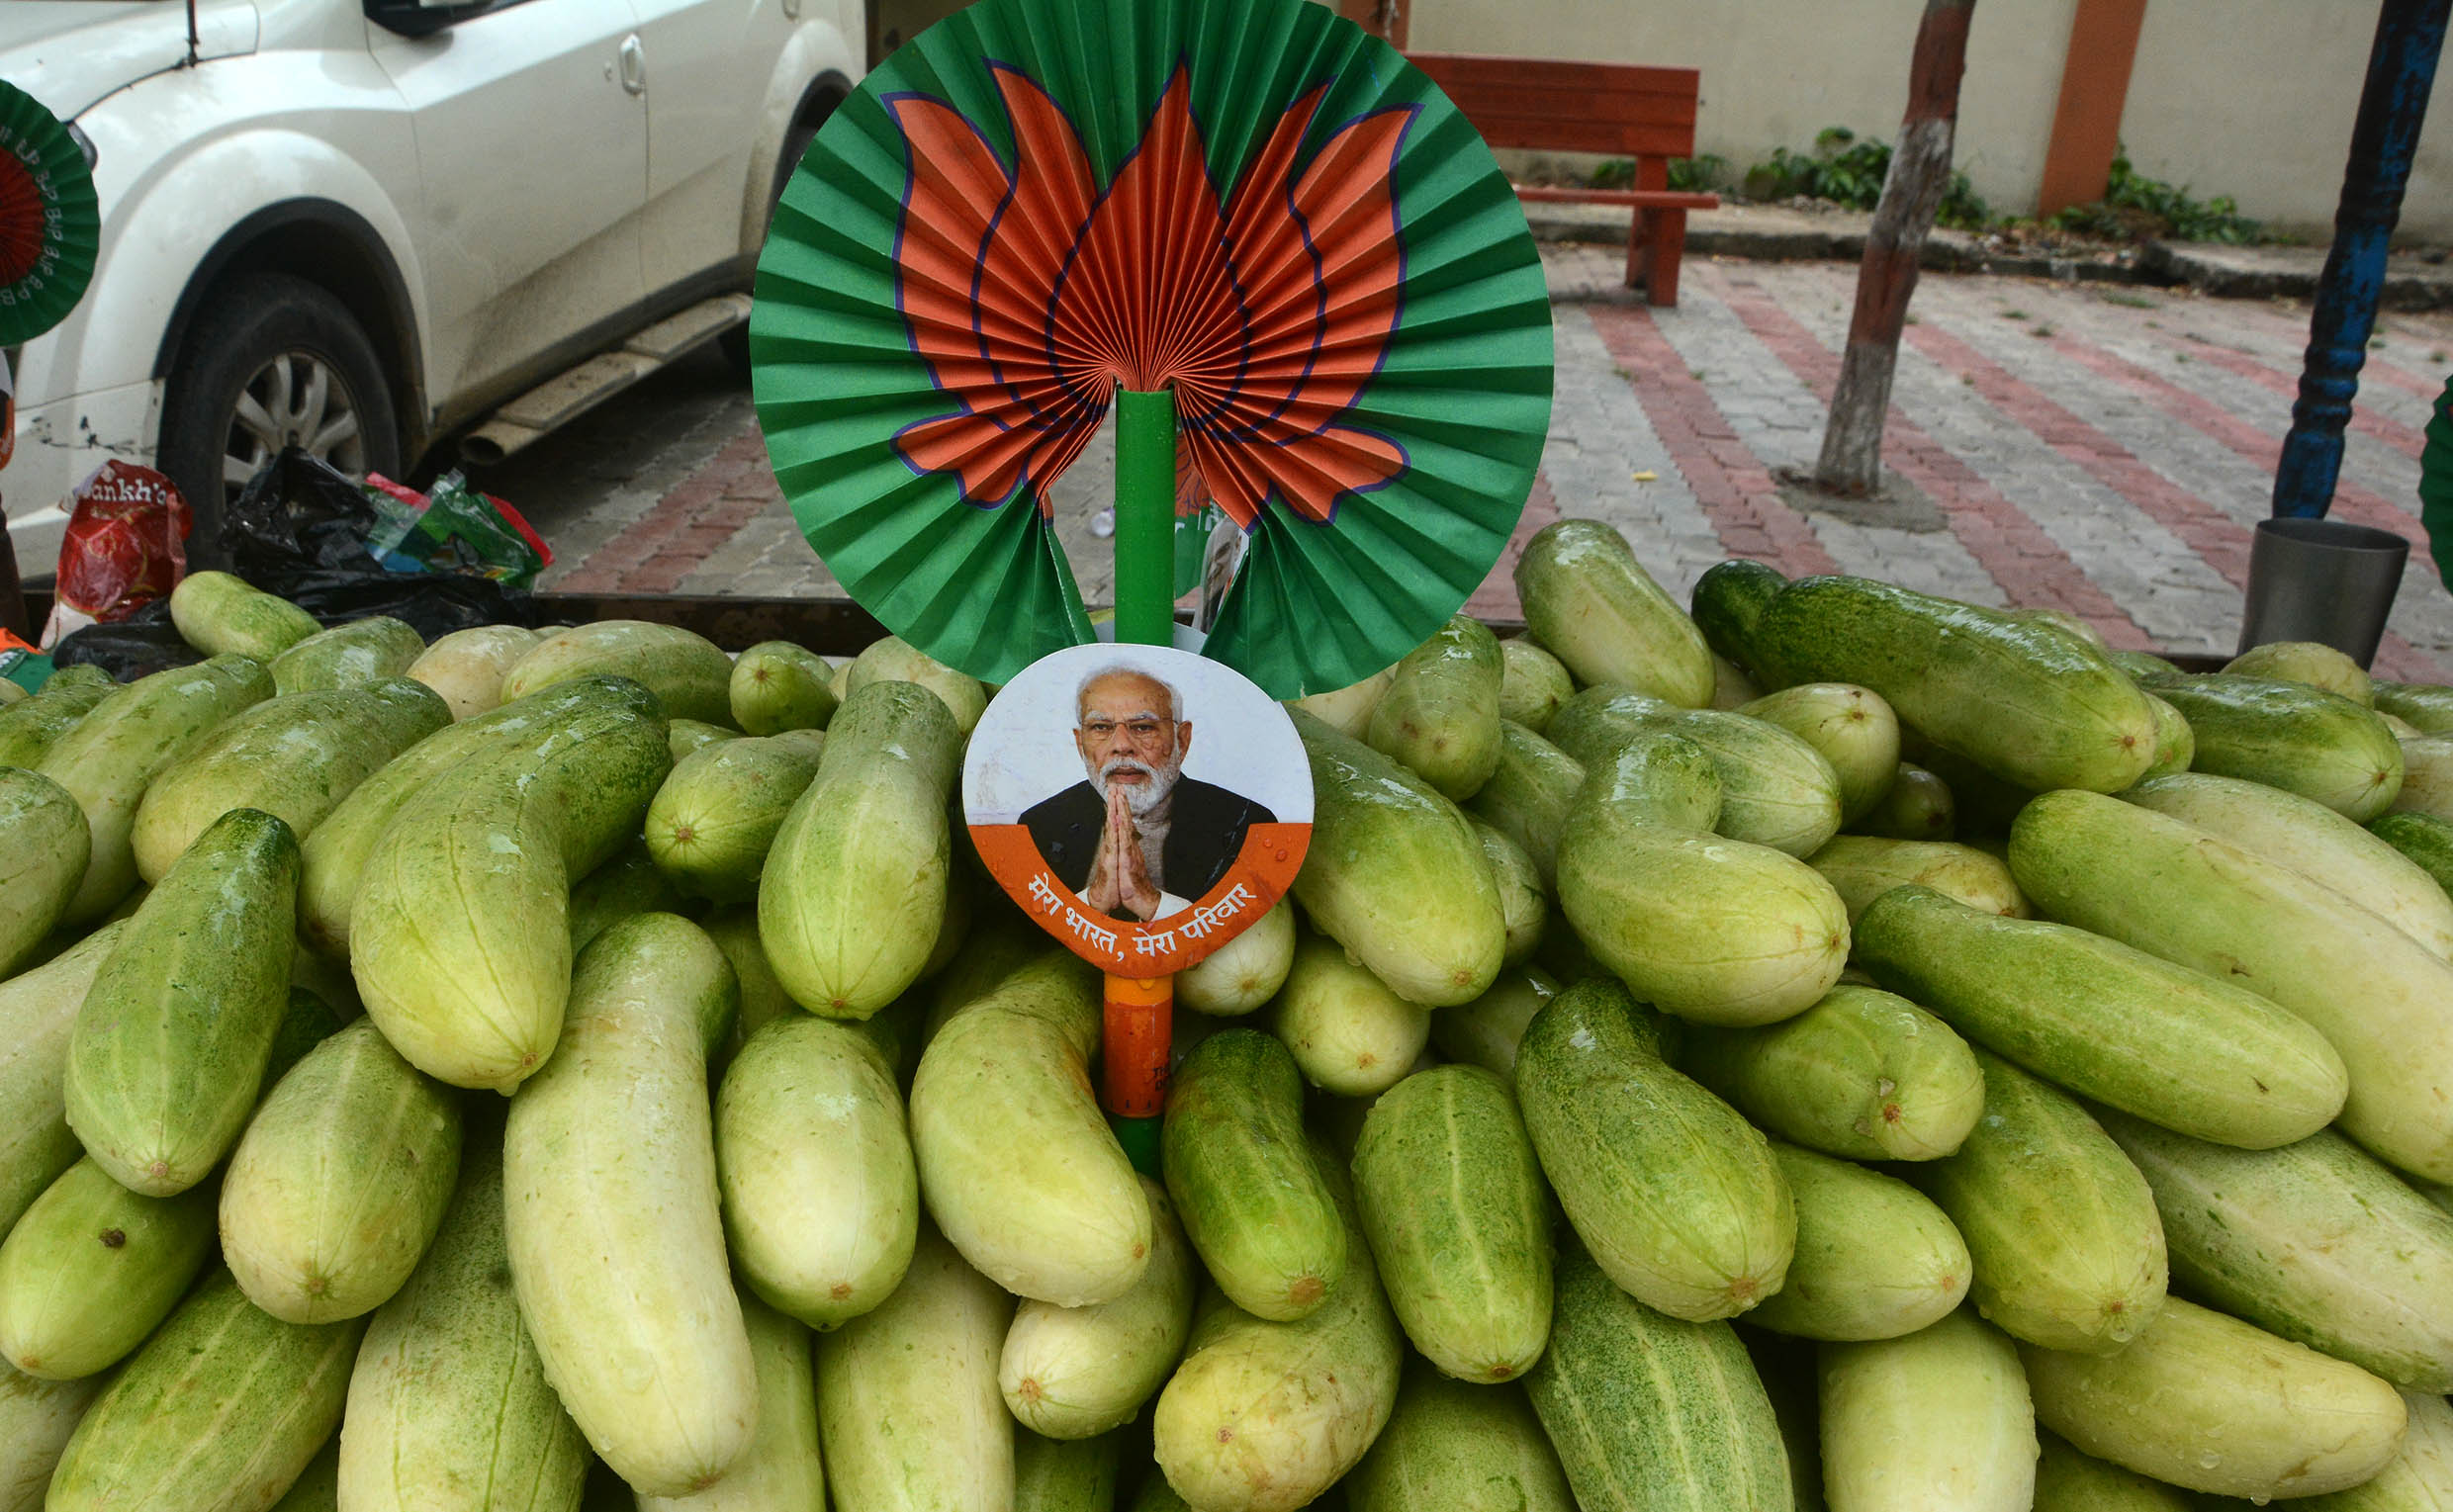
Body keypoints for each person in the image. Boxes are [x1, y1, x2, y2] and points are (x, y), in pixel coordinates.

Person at [1021, 663, 1276, 922]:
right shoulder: (1039, 826)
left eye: (1143, 727)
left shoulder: (1247, 825)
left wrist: (1153, 903)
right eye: (1101, 727)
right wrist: (1093, 901)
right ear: (1080, 743)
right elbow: (1021, 933)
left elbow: (1244, 930)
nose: (1121, 746)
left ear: (1182, 740)